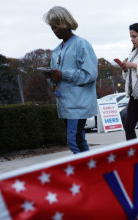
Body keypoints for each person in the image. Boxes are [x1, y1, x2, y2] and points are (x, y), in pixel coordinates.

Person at [43, 6, 98, 154]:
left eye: (57, 26)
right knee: (78, 140)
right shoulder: (56, 51)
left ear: (66, 23)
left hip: (79, 103)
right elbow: (57, 76)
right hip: (65, 104)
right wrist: (51, 77)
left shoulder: (81, 44)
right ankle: (91, 171)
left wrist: (63, 74)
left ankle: (87, 173)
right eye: (52, 28)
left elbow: (91, 74)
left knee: (74, 141)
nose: (54, 31)